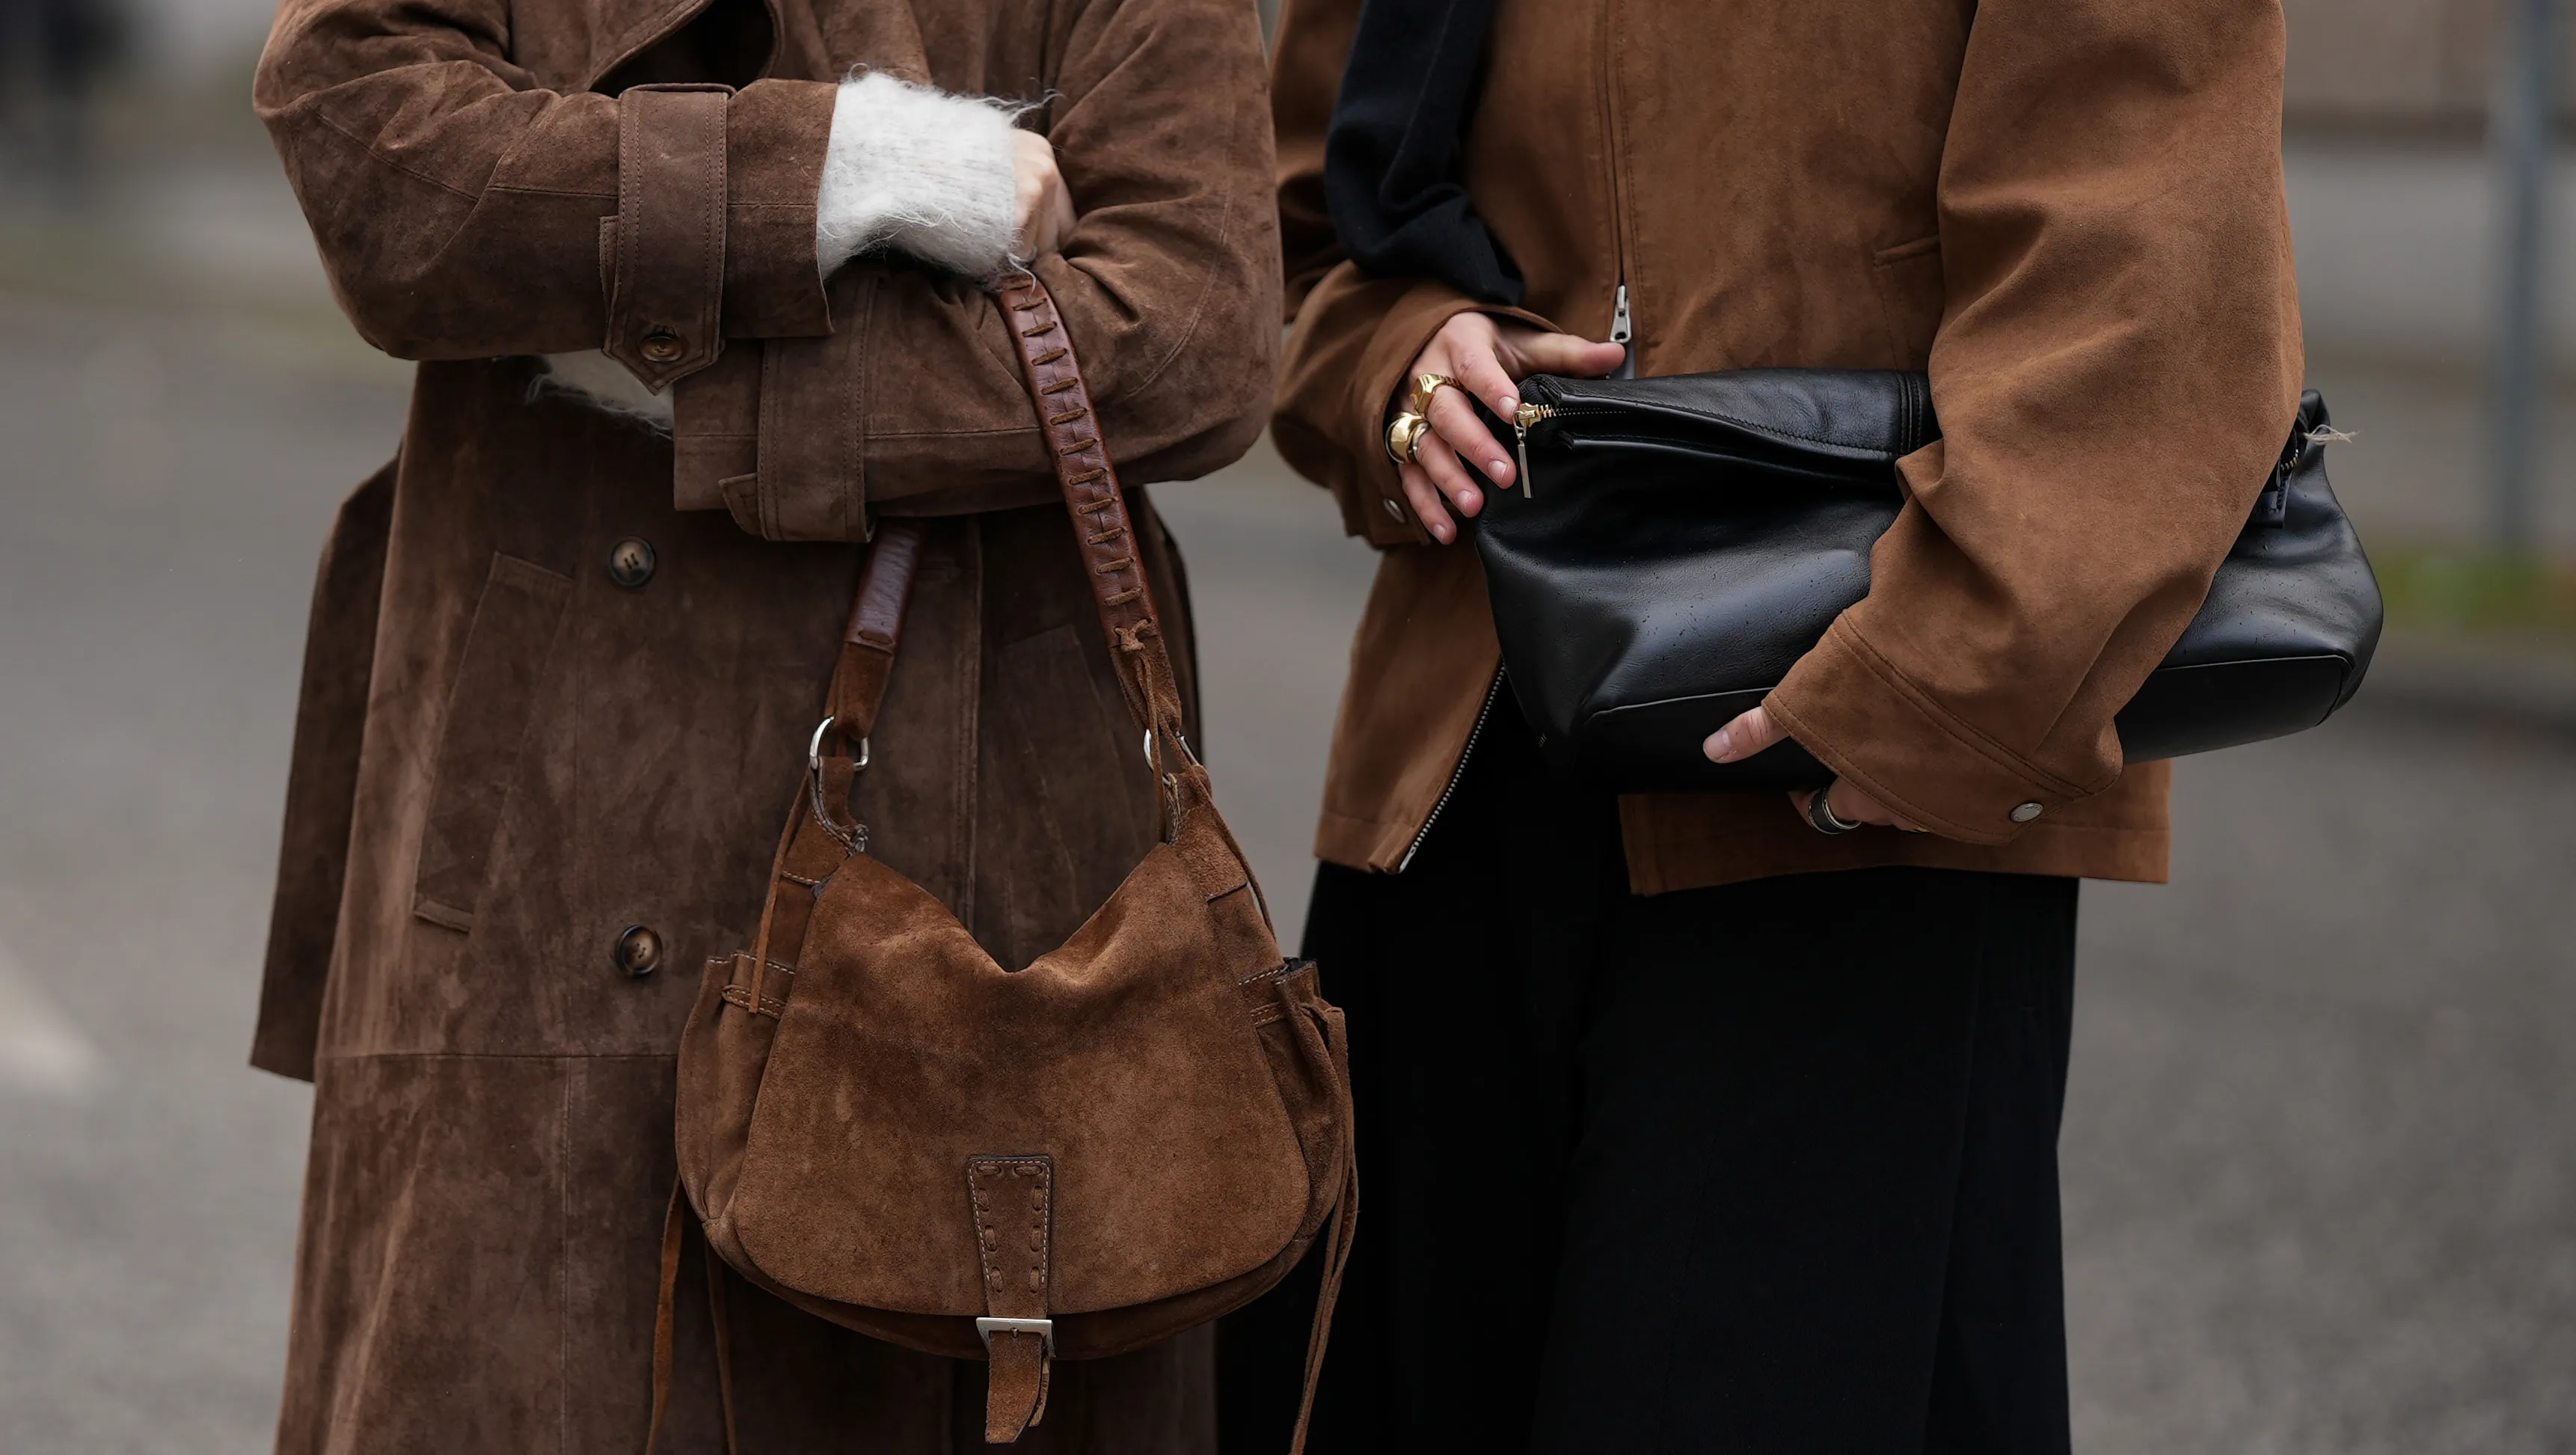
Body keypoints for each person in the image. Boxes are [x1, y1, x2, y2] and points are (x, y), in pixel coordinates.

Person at [1220, 0, 2304, 1449]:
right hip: (1459, 758)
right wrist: (1399, 362)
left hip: (1854, 787)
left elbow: (2146, 284)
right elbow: (1318, 227)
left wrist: (1924, 708)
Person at [246, 0, 1280, 1445]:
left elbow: (1195, 328)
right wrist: (840, 169)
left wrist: (710, 386)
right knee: (525, 1355)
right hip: (556, 811)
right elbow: (370, 144)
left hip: (988, 841)